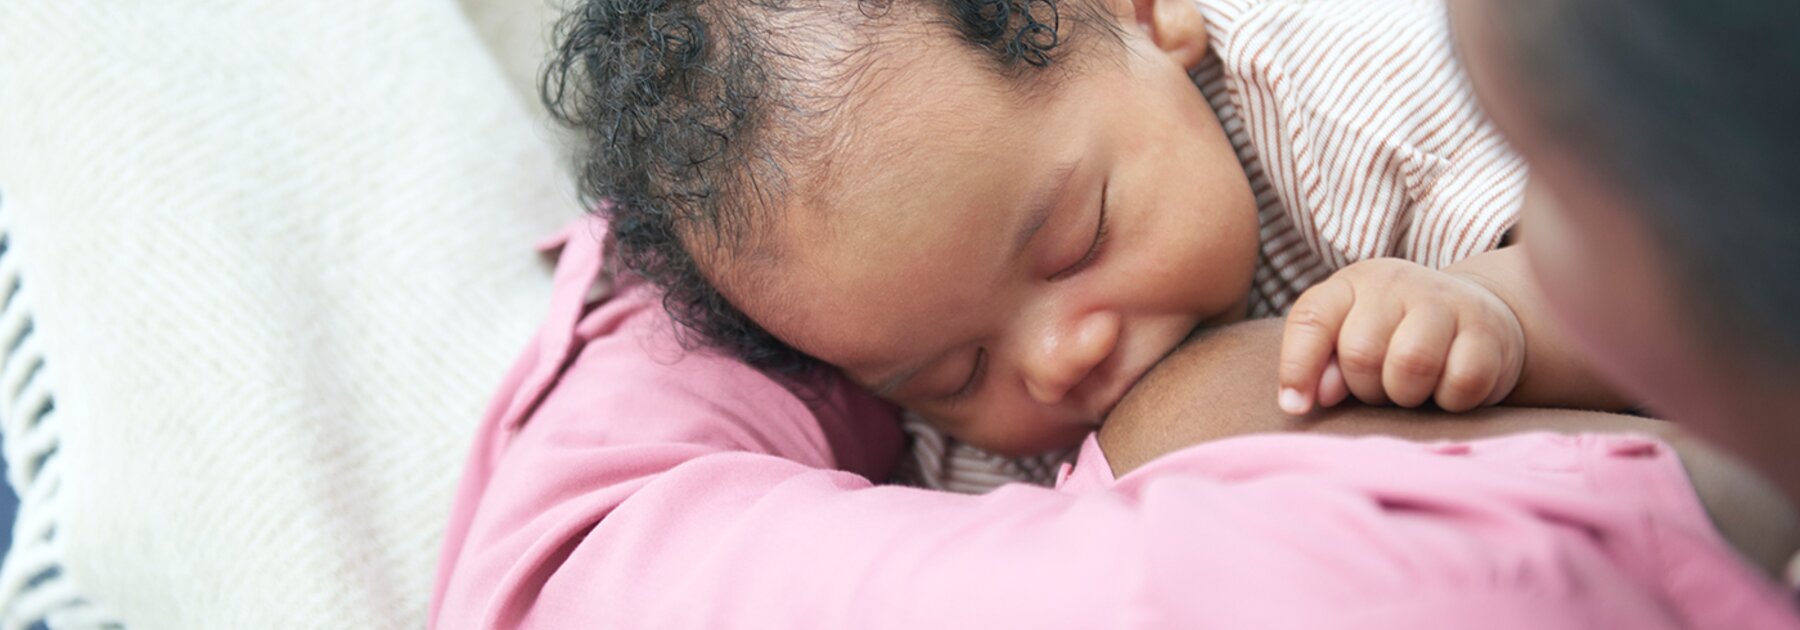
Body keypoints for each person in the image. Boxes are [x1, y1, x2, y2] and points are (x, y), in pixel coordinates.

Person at [544, 0, 1636, 492]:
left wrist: (1484, 308)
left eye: (1075, 242)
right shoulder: (986, 460)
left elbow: (1645, 269)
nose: (1060, 357)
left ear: (1147, 15)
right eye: (954, 374)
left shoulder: (1336, 100)